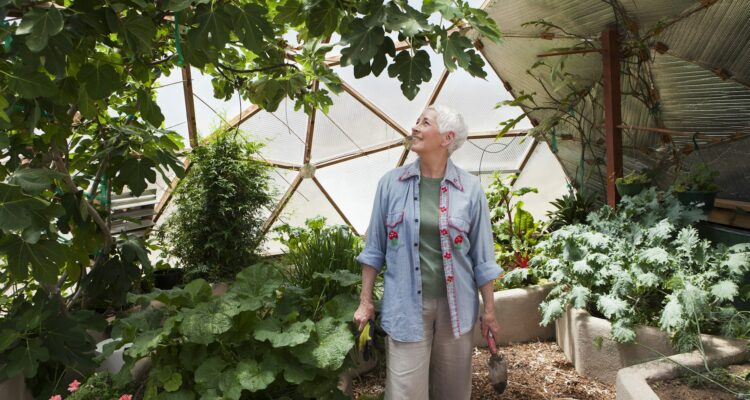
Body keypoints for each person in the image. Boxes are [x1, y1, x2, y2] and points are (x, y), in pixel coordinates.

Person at [353, 105, 502, 400]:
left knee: (453, 391)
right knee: (405, 392)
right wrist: (365, 302)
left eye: (424, 122)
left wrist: (489, 312)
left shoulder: (470, 189)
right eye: (417, 121)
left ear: (447, 138)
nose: (414, 127)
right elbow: (374, 250)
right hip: (406, 305)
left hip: (456, 307)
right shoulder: (391, 185)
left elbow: (483, 259)